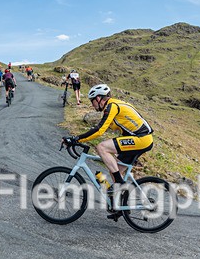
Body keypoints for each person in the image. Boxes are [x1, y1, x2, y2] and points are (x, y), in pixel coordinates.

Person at [62, 84, 153, 218]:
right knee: (114, 169)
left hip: (141, 139)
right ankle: (120, 207)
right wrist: (80, 139)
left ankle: (120, 185)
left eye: (92, 101)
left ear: (98, 98)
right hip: (137, 139)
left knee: (102, 147)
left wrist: (76, 139)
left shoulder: (112, 106)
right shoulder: (112, 106)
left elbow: (99, 131)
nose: (93, 105)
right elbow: (101, 129)